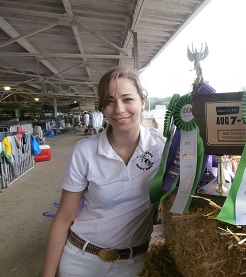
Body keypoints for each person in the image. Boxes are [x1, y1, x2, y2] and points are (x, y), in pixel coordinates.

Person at [42, 68, 165, 277]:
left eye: (127, 99)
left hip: (133, 263)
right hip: (80, 259)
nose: (119, 109)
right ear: (102, 108)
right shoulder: (85, 150)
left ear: (142, 101)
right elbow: (64, 217)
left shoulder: (162, 147)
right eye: (110, 101)